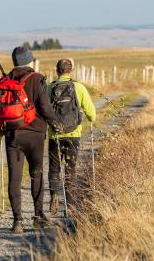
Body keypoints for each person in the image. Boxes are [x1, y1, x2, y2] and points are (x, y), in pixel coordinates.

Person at [0, 46, 61, 234]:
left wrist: (3, 125)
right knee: (36, 174)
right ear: (30, 60)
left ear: (14, 61)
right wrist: (55, 123)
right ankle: (38, 217)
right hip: (35, 135)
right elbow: (45, 108)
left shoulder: (4, 80)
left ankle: (17, 221)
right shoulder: (37, 79)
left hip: (12, 135)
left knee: (14, 178)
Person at [47, 59, 96, 214]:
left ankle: (54, 195)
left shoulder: (50, 88)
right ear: (71, 71)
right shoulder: (79, 87)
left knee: (54, 168)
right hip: (73, 134)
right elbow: (92, 114)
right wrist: (90, 118)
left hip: (55, 134)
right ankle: (70, 204)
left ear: (57, 71)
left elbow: (43, 110)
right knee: (70, 168)